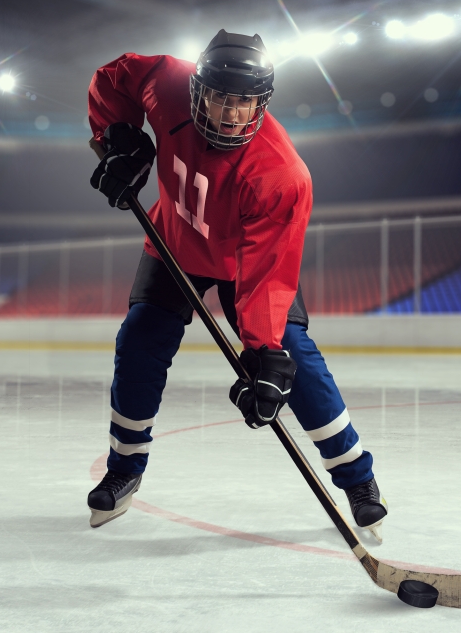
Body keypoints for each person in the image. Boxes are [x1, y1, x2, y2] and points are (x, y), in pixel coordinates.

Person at [84, 30, 387, 537]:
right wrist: (116, 135)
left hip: (243, 265)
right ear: (198, 88)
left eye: (244, 103)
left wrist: (262, 354)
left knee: (292, 359)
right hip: (173, 241)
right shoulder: (168, 82)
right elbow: (113, 79)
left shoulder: (282, 175)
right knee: (138, 341)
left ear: (261, 103)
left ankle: (357, 477)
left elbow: (267, 275)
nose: (230, 113)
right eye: (221, 98)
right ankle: (124, 470)